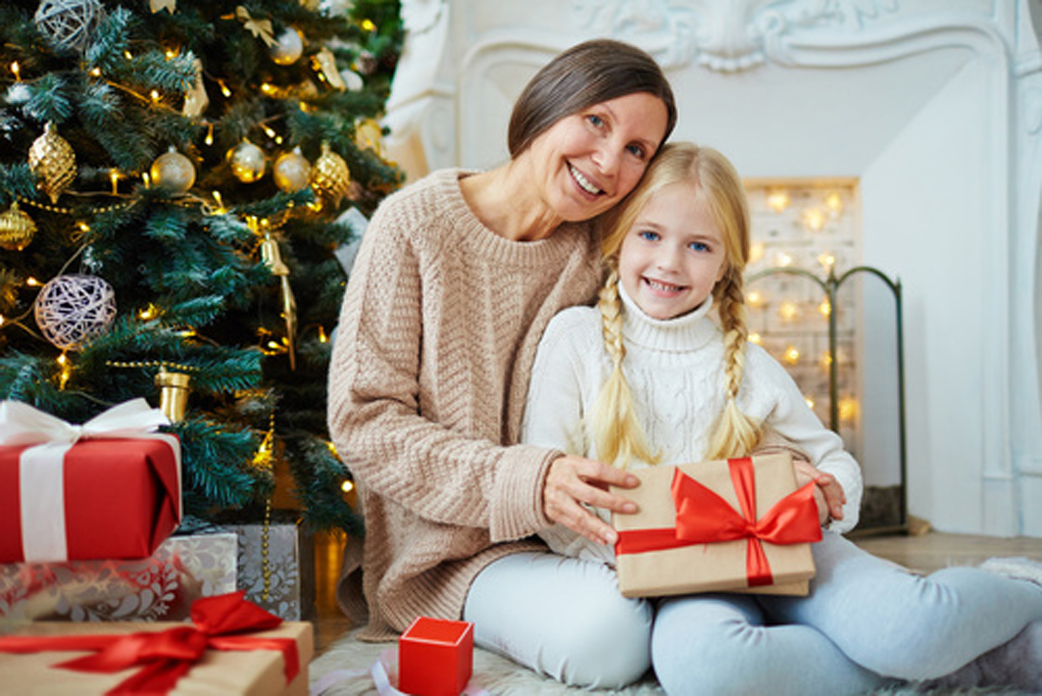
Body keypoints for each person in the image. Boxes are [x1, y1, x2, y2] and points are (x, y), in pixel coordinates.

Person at [521, 141, 1042, 694]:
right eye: (650, 235)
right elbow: (546, 488)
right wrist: (645, 552)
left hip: (786, 548)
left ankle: (1022, 588)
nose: (670, 262)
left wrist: (823, 497)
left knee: (914, 626)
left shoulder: (749, 364)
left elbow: (834, 462)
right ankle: (957, 665)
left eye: (699, 245)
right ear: (618, 237)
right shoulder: (575, 341)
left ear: (726, 264)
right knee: (705, 669)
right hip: (684, 584)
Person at [326, 38, 686, 682]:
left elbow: (677, 361)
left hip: (585, 534)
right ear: (549, 104)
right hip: (450, 556)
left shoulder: (607, 248)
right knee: (610, 639)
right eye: (596, 122)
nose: (608, 161)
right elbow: (364, 423)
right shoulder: (412, 224)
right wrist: (523, 482)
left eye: (637, 150)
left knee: (721, 599)